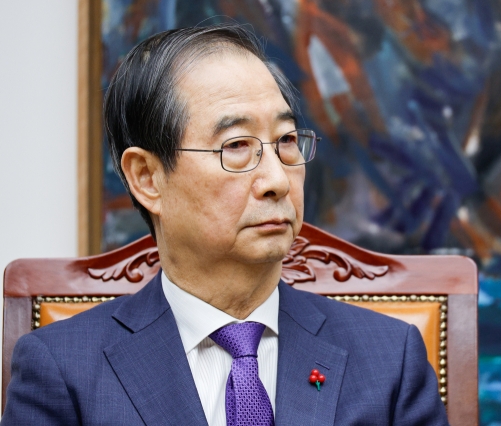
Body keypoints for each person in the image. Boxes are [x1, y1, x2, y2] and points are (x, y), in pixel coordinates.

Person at [2, 24, 449, 425]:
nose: (277, 179)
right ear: (147, 178)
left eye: (287, 141)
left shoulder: (390, 359)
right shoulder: (63, 371)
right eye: (236, 145)